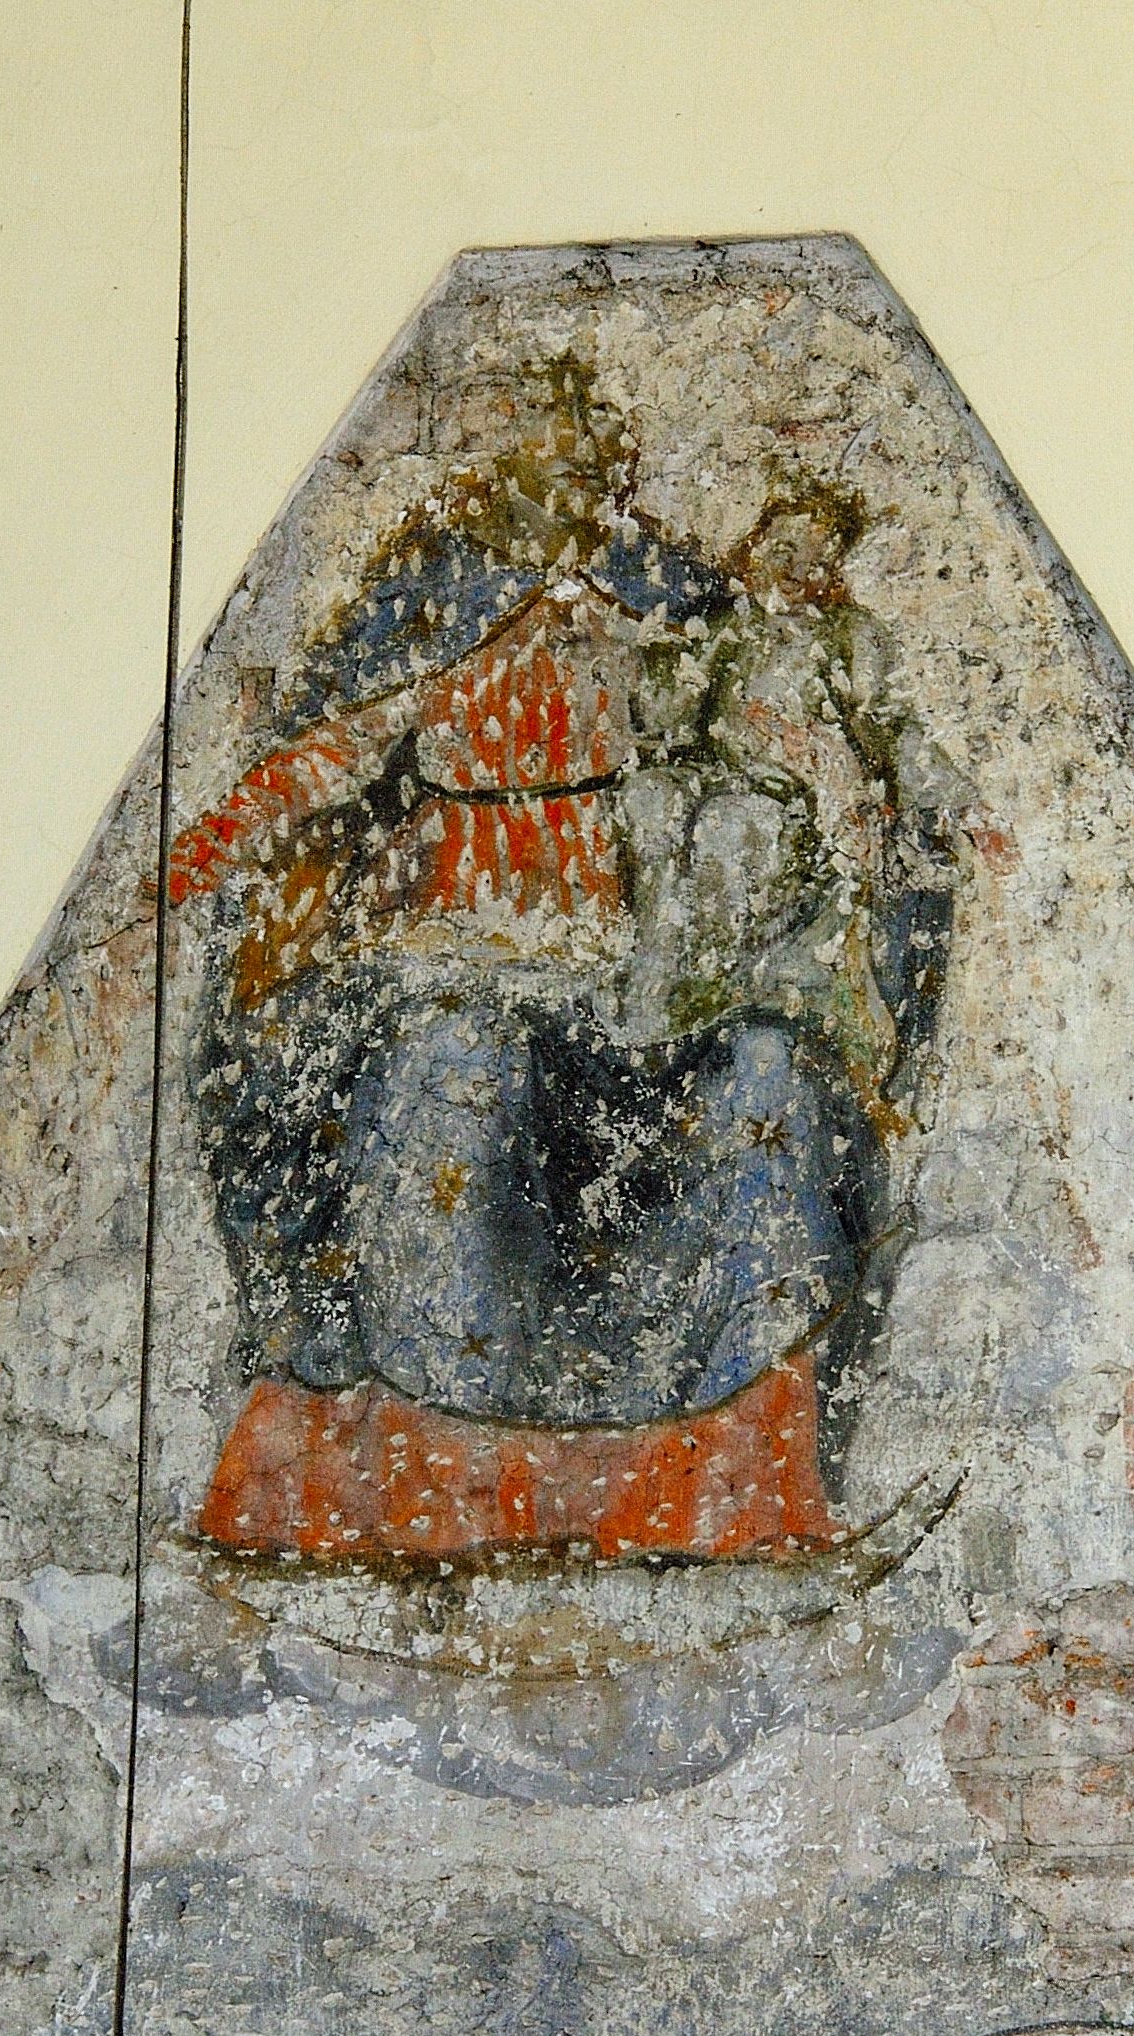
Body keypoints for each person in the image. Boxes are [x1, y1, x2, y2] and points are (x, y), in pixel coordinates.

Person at [167, 364, 972, 1563]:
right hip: (449, 946)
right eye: (544, 462)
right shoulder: (431, 607)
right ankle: (421, 1507)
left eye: (591, 468)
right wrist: (217, 848)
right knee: (450, 1071)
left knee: (766, 1088)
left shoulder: (670, 605)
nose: (569, 493)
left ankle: (722, 1500)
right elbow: (335, 753)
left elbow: (781, 731)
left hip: (644, 973)